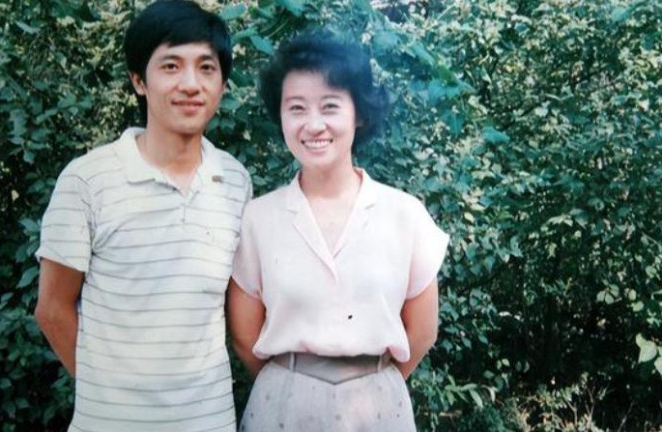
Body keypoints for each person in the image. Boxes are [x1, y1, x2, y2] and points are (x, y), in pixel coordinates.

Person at [34, 1, 251, 430]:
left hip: (208, 422)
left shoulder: (235, 181)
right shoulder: (87, 180)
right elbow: (52, 309)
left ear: (222, 84)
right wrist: (107, 394)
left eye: (206, 68)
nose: (190, 84)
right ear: (139, 80)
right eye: (171, 66)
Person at [227, 30, 449, 431]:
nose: (314, 125)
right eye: (297, 108)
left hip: (379, 406)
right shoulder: (257, 218)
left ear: (358, 113)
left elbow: (422, 331)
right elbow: (244, 336)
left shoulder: (404, 214)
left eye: (330, 106)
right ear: (281, 116)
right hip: (281, 405)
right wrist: (295, 384)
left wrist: (371, 383)